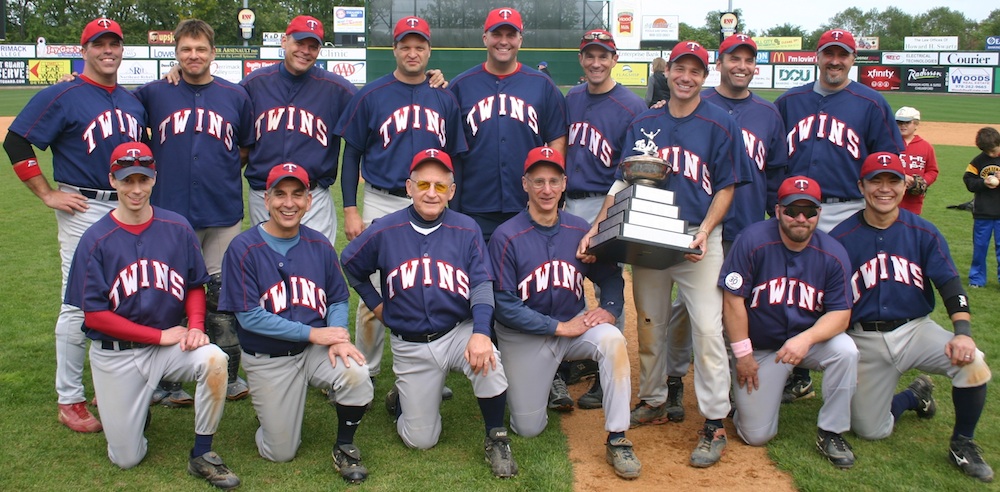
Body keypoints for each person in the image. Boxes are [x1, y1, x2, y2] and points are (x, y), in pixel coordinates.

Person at [579, 40, 751, 469]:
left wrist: (707, 233)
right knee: (651, 325)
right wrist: (597, 228)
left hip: (696, 239)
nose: (686, 77)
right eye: (680, 68)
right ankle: (653, 400)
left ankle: (714, 421)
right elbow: (623, 183)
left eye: (695, 70)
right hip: (649, 236)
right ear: (668, 71)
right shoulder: (644, 121)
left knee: (709, 331)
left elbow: (726, 187)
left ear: (704, 77)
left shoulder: (720, 123)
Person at [63, 142, 239, 489]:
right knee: (126, 458)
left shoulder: (177, 227)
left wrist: (197, 327)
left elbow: (193, 285)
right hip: (117, 355)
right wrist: (160, 336)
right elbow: (95, 316)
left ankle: (202, 453)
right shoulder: (95, 239)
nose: (136, 189)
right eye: (127, 180)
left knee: (215, 360)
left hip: (168, 349)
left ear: (154, 179)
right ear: (113, 180)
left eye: (143, 180)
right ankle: (135, 410)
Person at [3, 17, 146, 433]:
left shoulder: (132, 100)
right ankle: (70, 399)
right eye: (98, 43)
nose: (107, 50)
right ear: (83, 50)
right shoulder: (63, 93)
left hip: (128, 205)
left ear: (121, 50)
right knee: (79, 303)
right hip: (82, 208)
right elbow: (16, 140)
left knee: (124, 296)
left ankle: (109, 383)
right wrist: (47, 194)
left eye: (113, 43)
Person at [340, 149, 517, 478]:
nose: (431, 193)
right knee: (421, 440)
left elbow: (480, 284)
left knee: (488, 358)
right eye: (423, 184)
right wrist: (377, 306)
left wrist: (480, 332)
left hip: (457, 331)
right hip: (411, 344)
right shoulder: (385, 229)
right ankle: (402, 400)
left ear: (452, 191)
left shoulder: (467, 228)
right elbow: (350, 264)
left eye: (440, 186)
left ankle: (496, 437)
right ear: (409, 188)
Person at [831, 151, 994, 483]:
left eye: (893, 180)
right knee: (871, 430)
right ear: (861, 186)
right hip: (864, 338)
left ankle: (962, 443)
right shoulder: (840, 239)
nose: (884, 188)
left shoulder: (924, 232)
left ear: (906, 185)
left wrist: (961, 331)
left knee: (974, 362)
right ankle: (914, 395)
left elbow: (950, 284)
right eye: (876, 180)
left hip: (916, 330)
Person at [334, 16, 467, 396]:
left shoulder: (444, 96)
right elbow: (352, 153)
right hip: (382, 199)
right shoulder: (372, 94)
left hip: (432, 200)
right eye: (405, 45)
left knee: (429, 283)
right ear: (394, 49)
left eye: (419, 46)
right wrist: (350, 208)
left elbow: (457, 155)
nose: (412, 52)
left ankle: (430, 365)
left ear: (428, 51)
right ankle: (368, 370)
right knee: (373, 291)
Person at [219, 163, 374, 484]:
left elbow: (336, 298)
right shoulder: (243, 248)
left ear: (309, 201)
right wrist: (316, 332)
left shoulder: (319, 245)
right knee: (280, 451)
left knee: (356, 372)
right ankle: (272, 412)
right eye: (280, 194)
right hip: (269, 358)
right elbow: (249, 317)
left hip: (314, 352)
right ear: (266, 199)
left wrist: (339, 338)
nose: (288, 203)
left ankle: (345, 445)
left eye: (297, 194)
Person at [491, 146, 640, 479]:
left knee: (612, 340)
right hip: (525, 336)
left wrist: (610, 310)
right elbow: (503, 304)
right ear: (525, 184)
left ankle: (617, 437)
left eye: (554, 181)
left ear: (564, 184)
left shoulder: (579, 230)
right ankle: (543, 385)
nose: (547, 190)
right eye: (539, 181)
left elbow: (610, 275)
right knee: (527, 428)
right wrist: (558, 327)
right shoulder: (506, 236)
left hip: (574, 328)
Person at [661, 33, 790, 420]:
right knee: (690, 308)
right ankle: (673, 379)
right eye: (735, 58)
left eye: (749, 60)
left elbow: (775, 173)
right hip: (699, 226)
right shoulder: (697, 101)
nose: (742, 66)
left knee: (735, 306)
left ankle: (733, 381)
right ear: (720, 63)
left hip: (748, 227)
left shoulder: (768, 114)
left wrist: (774, 225)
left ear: (756, 67)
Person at [775, 28, 904, 400]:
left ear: (852, 59)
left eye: (843, 55)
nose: (835, 61)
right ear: (817, 56)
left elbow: (889, 160)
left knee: (847, 291)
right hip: (795, 210)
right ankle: (798, 370)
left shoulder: (871, 103)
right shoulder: (790, 101)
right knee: (792, 286)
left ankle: (853, 366)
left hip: (848, 207)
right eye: (829, 53)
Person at [133, 18, 254, 405]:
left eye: (201, 49)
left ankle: (227, 373)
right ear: (176, 53)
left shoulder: (235, 96)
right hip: (169, 212)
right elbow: (114, 106)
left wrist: (218, 172)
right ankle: (168, 381)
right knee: (168, 294)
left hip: (222, 211)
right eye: (186, 49)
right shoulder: (154, 93)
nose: (193, 56)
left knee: (221, 297)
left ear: (213, 53)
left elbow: (246, 148)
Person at [721, 175, 857, 469]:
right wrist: (743, 354)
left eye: (809, 211)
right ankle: (747, 395)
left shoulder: (833, 253)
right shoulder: (752, 240)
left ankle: (831, 432)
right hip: (759, 348)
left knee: (846, 351)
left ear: (819, 214)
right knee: (755, 435)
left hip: (803, 343)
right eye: (792, 209)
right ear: (778, 209)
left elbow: (841, 314)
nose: (800, 218)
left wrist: (805, 339)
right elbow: (732, 301)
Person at [561, 28, 646, 410]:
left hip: (608, 201)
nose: (596, 62)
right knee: (566, 281)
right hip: (567, 200)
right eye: (590, 55)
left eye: (604, 55)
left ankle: (606, 371)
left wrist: (603, 217)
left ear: (615, 59)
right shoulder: (572, 98)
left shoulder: (632, 106)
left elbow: (628, 171)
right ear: (582, 59)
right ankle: (578, 357)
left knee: (607, 284)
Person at [449, 6, 568, 241]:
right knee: (479, 278)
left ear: (520, 40)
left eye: (510, 35)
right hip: (474, 207)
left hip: (526, 205)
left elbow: (557, 138)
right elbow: (451, 149)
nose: (503, 41)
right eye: (497, 34)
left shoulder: (542, 85)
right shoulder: (461, 86)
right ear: (485, 38)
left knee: (527, 276)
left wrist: (549, 190)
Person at [239, 15, 357, 242]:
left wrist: (429, 81)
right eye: (299, 43)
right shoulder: (255, 84)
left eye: (313, 46)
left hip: (313, 197)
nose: (305, 51)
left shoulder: (337, 89)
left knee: (315, 270)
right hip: (264, 194)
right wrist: (178, 76)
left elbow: (378, 104)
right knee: (267, 269)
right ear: (285, 42)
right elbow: (216, 99)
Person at [963, 127, 1000, 288]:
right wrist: (984, 182)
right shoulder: (977, 161)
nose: (991, 154)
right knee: (980, 248)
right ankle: (977, 279)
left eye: (993, 150)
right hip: (983, 213)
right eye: (987, 152)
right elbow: (969, 182)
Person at [896, 106, 938, 215]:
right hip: (891, 196)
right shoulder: (888, 143)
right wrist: (900, 177)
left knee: (910, 229)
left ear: (916, 124)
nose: (903, 125)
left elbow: (932, 171)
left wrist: (922, 182)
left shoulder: (926, 146)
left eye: (907, 122)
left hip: (914, 200)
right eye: (899, 122)